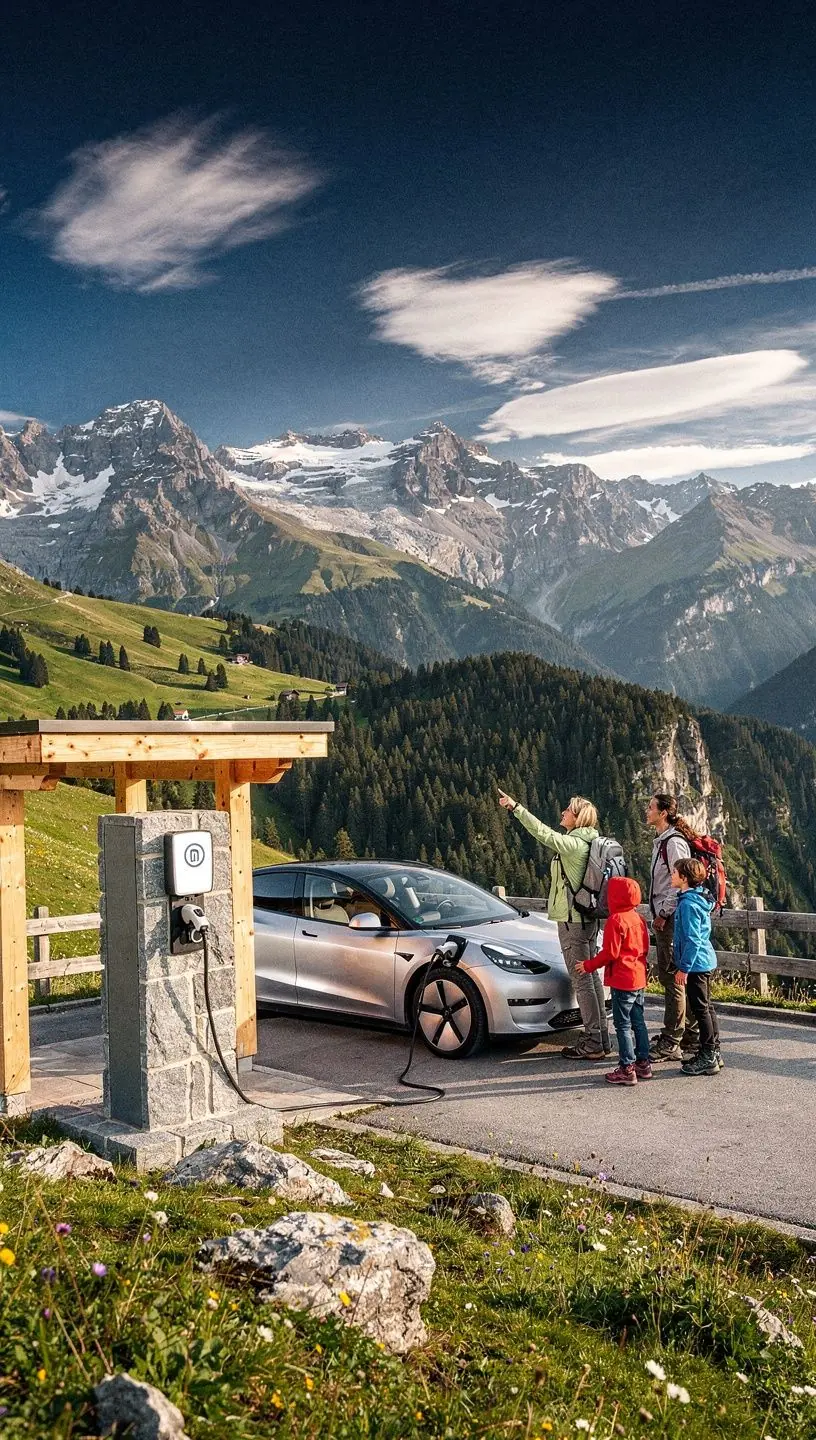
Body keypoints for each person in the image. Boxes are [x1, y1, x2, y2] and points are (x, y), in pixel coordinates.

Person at [498, 789, 610, 1059]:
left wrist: (516, 808)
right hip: (588, 919)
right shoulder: (591, 842)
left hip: (573, 921)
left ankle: (593, 1041)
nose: (563, 813)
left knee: (581, 980)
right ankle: (601, 1037)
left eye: (568, 810)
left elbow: (543, 834)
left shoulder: (573, 845)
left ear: (578, 817)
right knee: (591, 976)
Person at [576, 876, 651, 1086]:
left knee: (622, 1025)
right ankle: (643, 1063)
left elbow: (610, 953)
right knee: (639, 1022)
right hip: (639, 976)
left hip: (622, 979)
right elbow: (644, 947)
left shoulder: (616, 920)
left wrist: (588, 965)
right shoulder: (639, 919)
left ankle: (627, 1068)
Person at [645, 793, 699, 1062]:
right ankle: (688, 1034)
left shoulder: (674, 843)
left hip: (671, 919)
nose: (647, 810)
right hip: (666, 917)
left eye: (651, 807)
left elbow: (677, 882)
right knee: (672, 976)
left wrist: (663, 913)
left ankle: (672, 1039)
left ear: (663, 812)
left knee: (673, 978)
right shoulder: (663, 841)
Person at [671, 857, 722, 1076]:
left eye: (675, 873)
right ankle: (713, 1051)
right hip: (704, 960)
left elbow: (692, 940)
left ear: (684, 878)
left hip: (697, 964)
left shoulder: (689, 905)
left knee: (701, 1009)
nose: (672, 875)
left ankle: (708, 1055)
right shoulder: (698, 898)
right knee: (707, 1007)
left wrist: (684, 968)